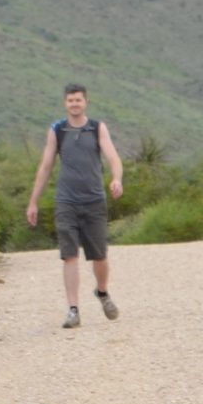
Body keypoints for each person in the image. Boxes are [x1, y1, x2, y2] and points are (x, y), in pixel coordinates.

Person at [25, 83, 122, 328]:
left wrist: (116, 178)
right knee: (69, 256)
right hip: (66, 200)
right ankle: (73, 309)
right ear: (65, 103)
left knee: (99, 256)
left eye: (78, 100)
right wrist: (33, 201)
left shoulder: (96, 128)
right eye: (70, 101)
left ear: (86, 102)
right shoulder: (57, 130)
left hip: (94, 200)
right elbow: (45, 166)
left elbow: (113, 157)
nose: (74, 104)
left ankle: (102, 292)